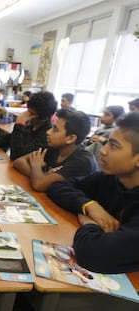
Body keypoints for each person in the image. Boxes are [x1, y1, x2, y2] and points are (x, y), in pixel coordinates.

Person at [46, 112, 139, 273]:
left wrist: (90, 224)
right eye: (107, 143)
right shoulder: (111, 179)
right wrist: (89, 205)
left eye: (114, 146)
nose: (103, 151)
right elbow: (58, 187)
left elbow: (94, 254)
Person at [13, 109, 98, 191]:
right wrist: (40, 175)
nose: (48, 132)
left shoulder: (82, 162)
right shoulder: (55, 148)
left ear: (70, 138)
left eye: (55, 129)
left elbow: (38, 184)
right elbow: (19, 161)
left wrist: (36, 166)